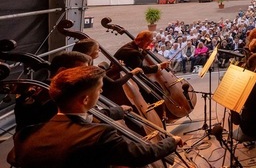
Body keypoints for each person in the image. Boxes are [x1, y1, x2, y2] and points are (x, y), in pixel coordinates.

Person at [8, 65, 180, 168]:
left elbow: (13, 158)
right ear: (85, 99)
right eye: (99, 90)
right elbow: (141, 154)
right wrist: (172, 141)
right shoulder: (100, 134)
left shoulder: (26, 134)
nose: (102, 92)